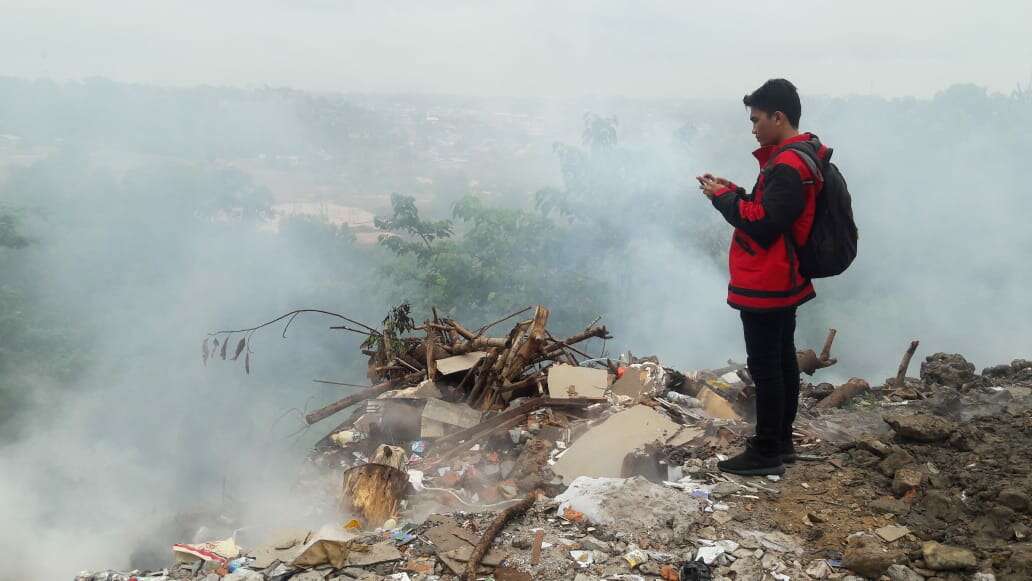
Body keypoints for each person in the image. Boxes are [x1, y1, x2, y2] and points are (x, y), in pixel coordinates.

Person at [697, 78, 832, 476]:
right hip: (781, 277)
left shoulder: (789, 165)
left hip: (768, 279)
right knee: (782, 362)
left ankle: (766, 449)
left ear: (779, 116)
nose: (753, 128)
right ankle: (782, 442)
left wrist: (723, 200)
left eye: (756, 119)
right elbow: (770, 206)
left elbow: (765, 223)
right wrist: (734, 190)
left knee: (767, 367)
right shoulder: (795, 157)